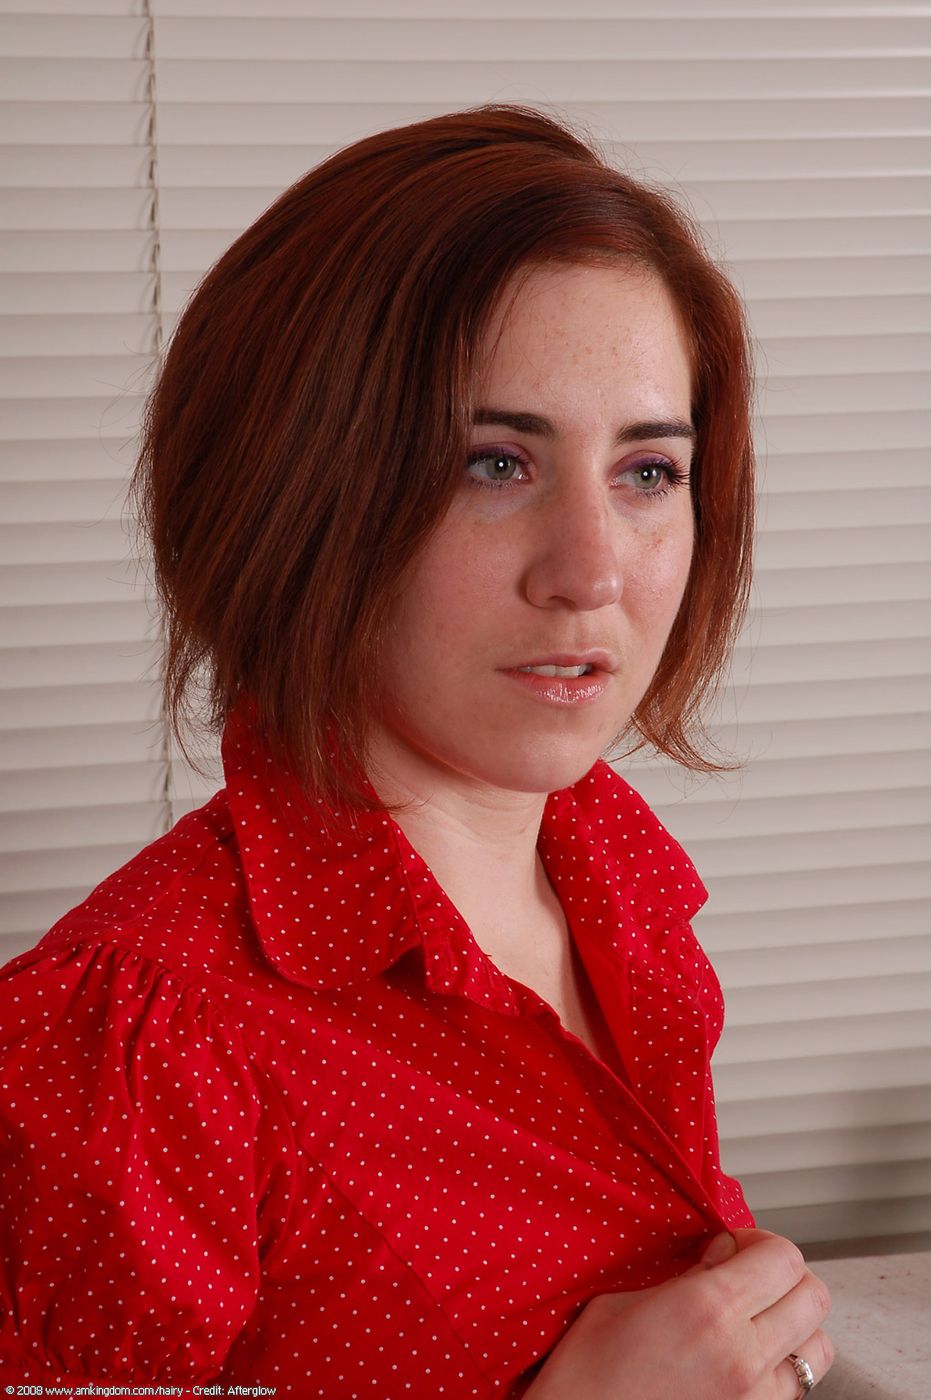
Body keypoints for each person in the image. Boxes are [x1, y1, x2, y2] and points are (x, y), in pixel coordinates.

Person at [0, 105, 832, 1397]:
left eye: (648, 473)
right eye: (495, 463)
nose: (592, 572)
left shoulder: (615, 877)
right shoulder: (141, 1046)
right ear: (299, 492)